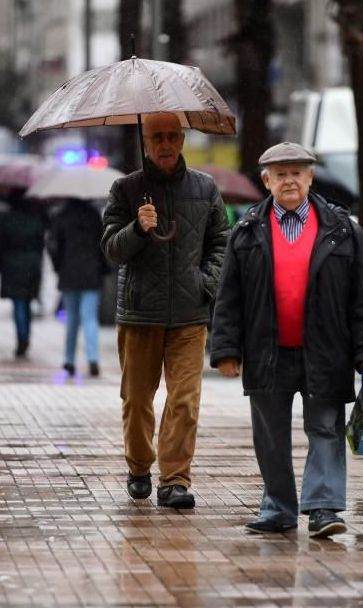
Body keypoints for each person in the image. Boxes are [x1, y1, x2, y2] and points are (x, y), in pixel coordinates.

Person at [210, 142, 363, 538]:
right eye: (281, 173)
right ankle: (279, 508)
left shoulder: (343, 229)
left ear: (310, 177)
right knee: (270, 434)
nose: (289, 180)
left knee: (325, 428)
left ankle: (323, 509)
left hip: (326, 350)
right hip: (265, 349)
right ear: (266, 180)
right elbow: (229, 295)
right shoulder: (246, 230)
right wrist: (224, 350)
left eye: (297, 172)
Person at [101, 111, 229, 509]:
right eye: (158, 137)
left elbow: (221, 241)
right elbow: (111, 249)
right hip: (140, 315)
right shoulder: (126, 190)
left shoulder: (205, 189)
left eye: (173, 136)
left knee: (185, 400)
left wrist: (205, 282)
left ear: (183, 139)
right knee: (137, 399)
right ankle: (139, 465)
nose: (166, 144)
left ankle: (175, 479)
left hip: (190, 315)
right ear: (145, 142)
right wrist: (138, 228)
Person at [47, 198, 110, 377]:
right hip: (91, 273)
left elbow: (53, 246)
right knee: (89, 317)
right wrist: (103, 269)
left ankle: (69, 360)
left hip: (69, 273)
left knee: (72, 319)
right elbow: (103, 245)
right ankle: (93, 358)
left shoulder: (61, 217)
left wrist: (59, 266)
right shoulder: (94, 217)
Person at [0, 190, 46, 358]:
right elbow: (40, 244)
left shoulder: (5, 220)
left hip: (11, 265)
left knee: (18, 303)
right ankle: (26, 336)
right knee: (28, 301)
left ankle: (21, 338)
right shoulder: (35, 219)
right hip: (31, 264)